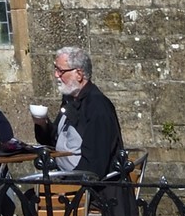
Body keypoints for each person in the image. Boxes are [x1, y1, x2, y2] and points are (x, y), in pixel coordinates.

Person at [32, 44, 124, 176]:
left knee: (30, 194)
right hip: (69, 179)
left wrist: (64, 183)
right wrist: (42, 124)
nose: (56, 75)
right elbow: (55, 142)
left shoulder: (97, 107)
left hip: (90, 190)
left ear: (79, 74)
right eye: (55, 69)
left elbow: (95, 164)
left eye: (61, 71)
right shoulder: (70, 100)